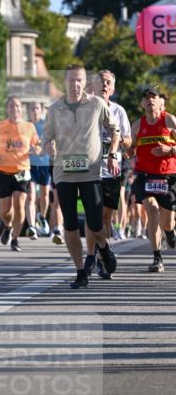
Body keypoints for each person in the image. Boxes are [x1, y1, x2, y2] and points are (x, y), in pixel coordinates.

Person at [42, 65, 120, 289]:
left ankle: (103, 247)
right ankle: (80, 272)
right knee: (70, 225)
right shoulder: (54, 109)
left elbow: (114, 130)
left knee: (95, 225)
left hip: (91, 172)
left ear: (85, 82)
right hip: (64, 173)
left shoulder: (96, 104)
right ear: (64, 82)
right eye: (71, 80)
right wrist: (48, 147)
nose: (75, 85)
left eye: (79, 80)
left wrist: (112, 154)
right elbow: (46, 139)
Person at [82, 70, 131, 279]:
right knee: (92, 214)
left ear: (113, 88)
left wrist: (116, 140)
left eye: (108, 82)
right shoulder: (85, 109)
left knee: (106, 216)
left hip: (112, 169)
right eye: (101, 81)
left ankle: (102, 256)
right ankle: (91, 256)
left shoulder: (119, 111)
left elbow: (129, 142)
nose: (104, 85)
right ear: (92, 85)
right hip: (89, 169)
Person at [129, 85, 176, 274]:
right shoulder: (138, 124)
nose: (150, 101)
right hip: (145, 176)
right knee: (152, 211)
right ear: (142, 103)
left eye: (153, 98)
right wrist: (126, 150)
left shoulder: (169, 120)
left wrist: (170, 150)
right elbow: (130, 148)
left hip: (168, 176)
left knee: (167, 222)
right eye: (146, 98)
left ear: (159, 101)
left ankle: (170, 232)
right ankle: (157, 257)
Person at [0, 96, 41, 252]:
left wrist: (36, 150)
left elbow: (37, 145)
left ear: (21, 109)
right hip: (3, 171)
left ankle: (16, 239)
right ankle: (7, 226)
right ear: (7, 109)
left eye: (17, 106)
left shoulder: (29, 126)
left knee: (19, 205)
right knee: (5, 211)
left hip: (22, 170)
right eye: (11, 106)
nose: (15, 108)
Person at [25, 101, 51, 239]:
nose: (34, 111)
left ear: (41, 110)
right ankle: (32, 227)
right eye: (32, 108)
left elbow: (52, 142)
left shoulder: (46, 125)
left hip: (45, 165)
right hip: (29, 166)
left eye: (37, 108)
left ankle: (41, 216)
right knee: (31, 196)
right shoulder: (25, 126)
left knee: (45, 196)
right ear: (29, 111)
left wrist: (42, 148)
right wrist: (29, 149)